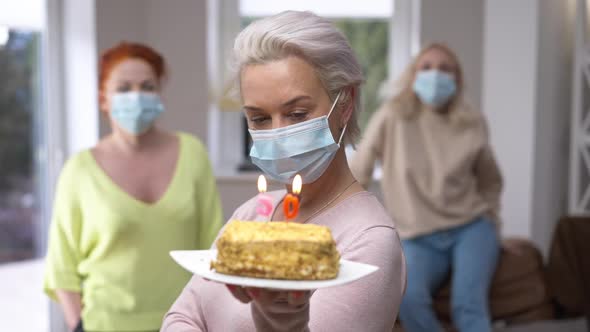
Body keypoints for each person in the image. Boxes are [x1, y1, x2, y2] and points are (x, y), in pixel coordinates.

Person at [162, 11, 406, 332]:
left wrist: (283, 321)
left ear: (344, 104)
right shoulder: (253, 214)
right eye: (260, 118)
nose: (277, 134)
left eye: (297, 113)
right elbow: (181, 318)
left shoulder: (369, 242)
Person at [43, 42, 224, 332]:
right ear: (104, 99)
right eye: (124, 88)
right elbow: (61, 265)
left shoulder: (193, 153)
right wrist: (78, 323)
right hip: (104, 324)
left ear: (159, 94)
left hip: (184, 322)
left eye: (147, 86)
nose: (137, 96)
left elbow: (214, 245)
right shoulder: (79, 170)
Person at [351, 43, 503, 332]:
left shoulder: (472, 122)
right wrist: (350, 223)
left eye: (446, 68)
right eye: (427, 67)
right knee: (407, 298)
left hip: (471, 228)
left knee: (468, 305)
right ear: (413, 76)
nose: (436, 75)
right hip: (416, 234)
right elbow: (361, 169)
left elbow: (490, 180)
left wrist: (493, 221)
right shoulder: (392, 115)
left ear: (457, 79)